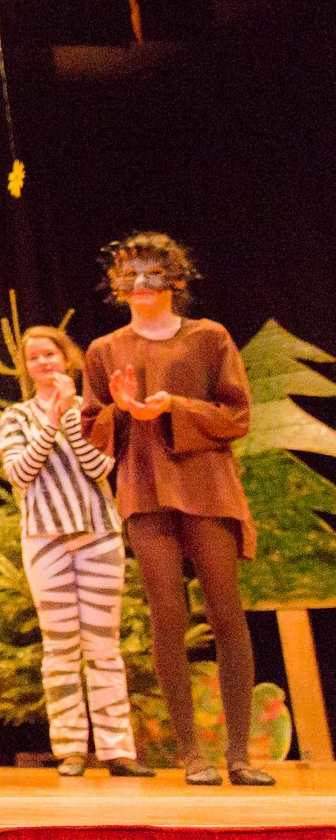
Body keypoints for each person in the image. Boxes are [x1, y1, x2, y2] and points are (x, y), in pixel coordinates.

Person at [81, 233, 271, 786]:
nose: (141, 283)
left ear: (176, 279)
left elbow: (236, 417)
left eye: (153, 272)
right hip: (144, 488)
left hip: (205, 485)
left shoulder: (209, 337)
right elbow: (93, 430)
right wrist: (122, 410)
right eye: (130, 274)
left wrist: (175, 406)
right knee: (167, 617)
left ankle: (239, 755)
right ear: (117, 285)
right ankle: (191, 754)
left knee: (226, 613)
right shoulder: (104, 350)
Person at [0, 325, 151, 779]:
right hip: (44, 539)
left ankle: (117, 750)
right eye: (34, 357)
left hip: (98, 534)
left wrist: (69, 419)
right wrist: (49, 422)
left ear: (67, 359)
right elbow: (20, 473)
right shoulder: (17, 417)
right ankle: (70, 749)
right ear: (27, 368)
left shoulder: (91, 412)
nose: (43, 362)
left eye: (50, 354)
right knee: (60, 647)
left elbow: (99, 466)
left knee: (103, 645)